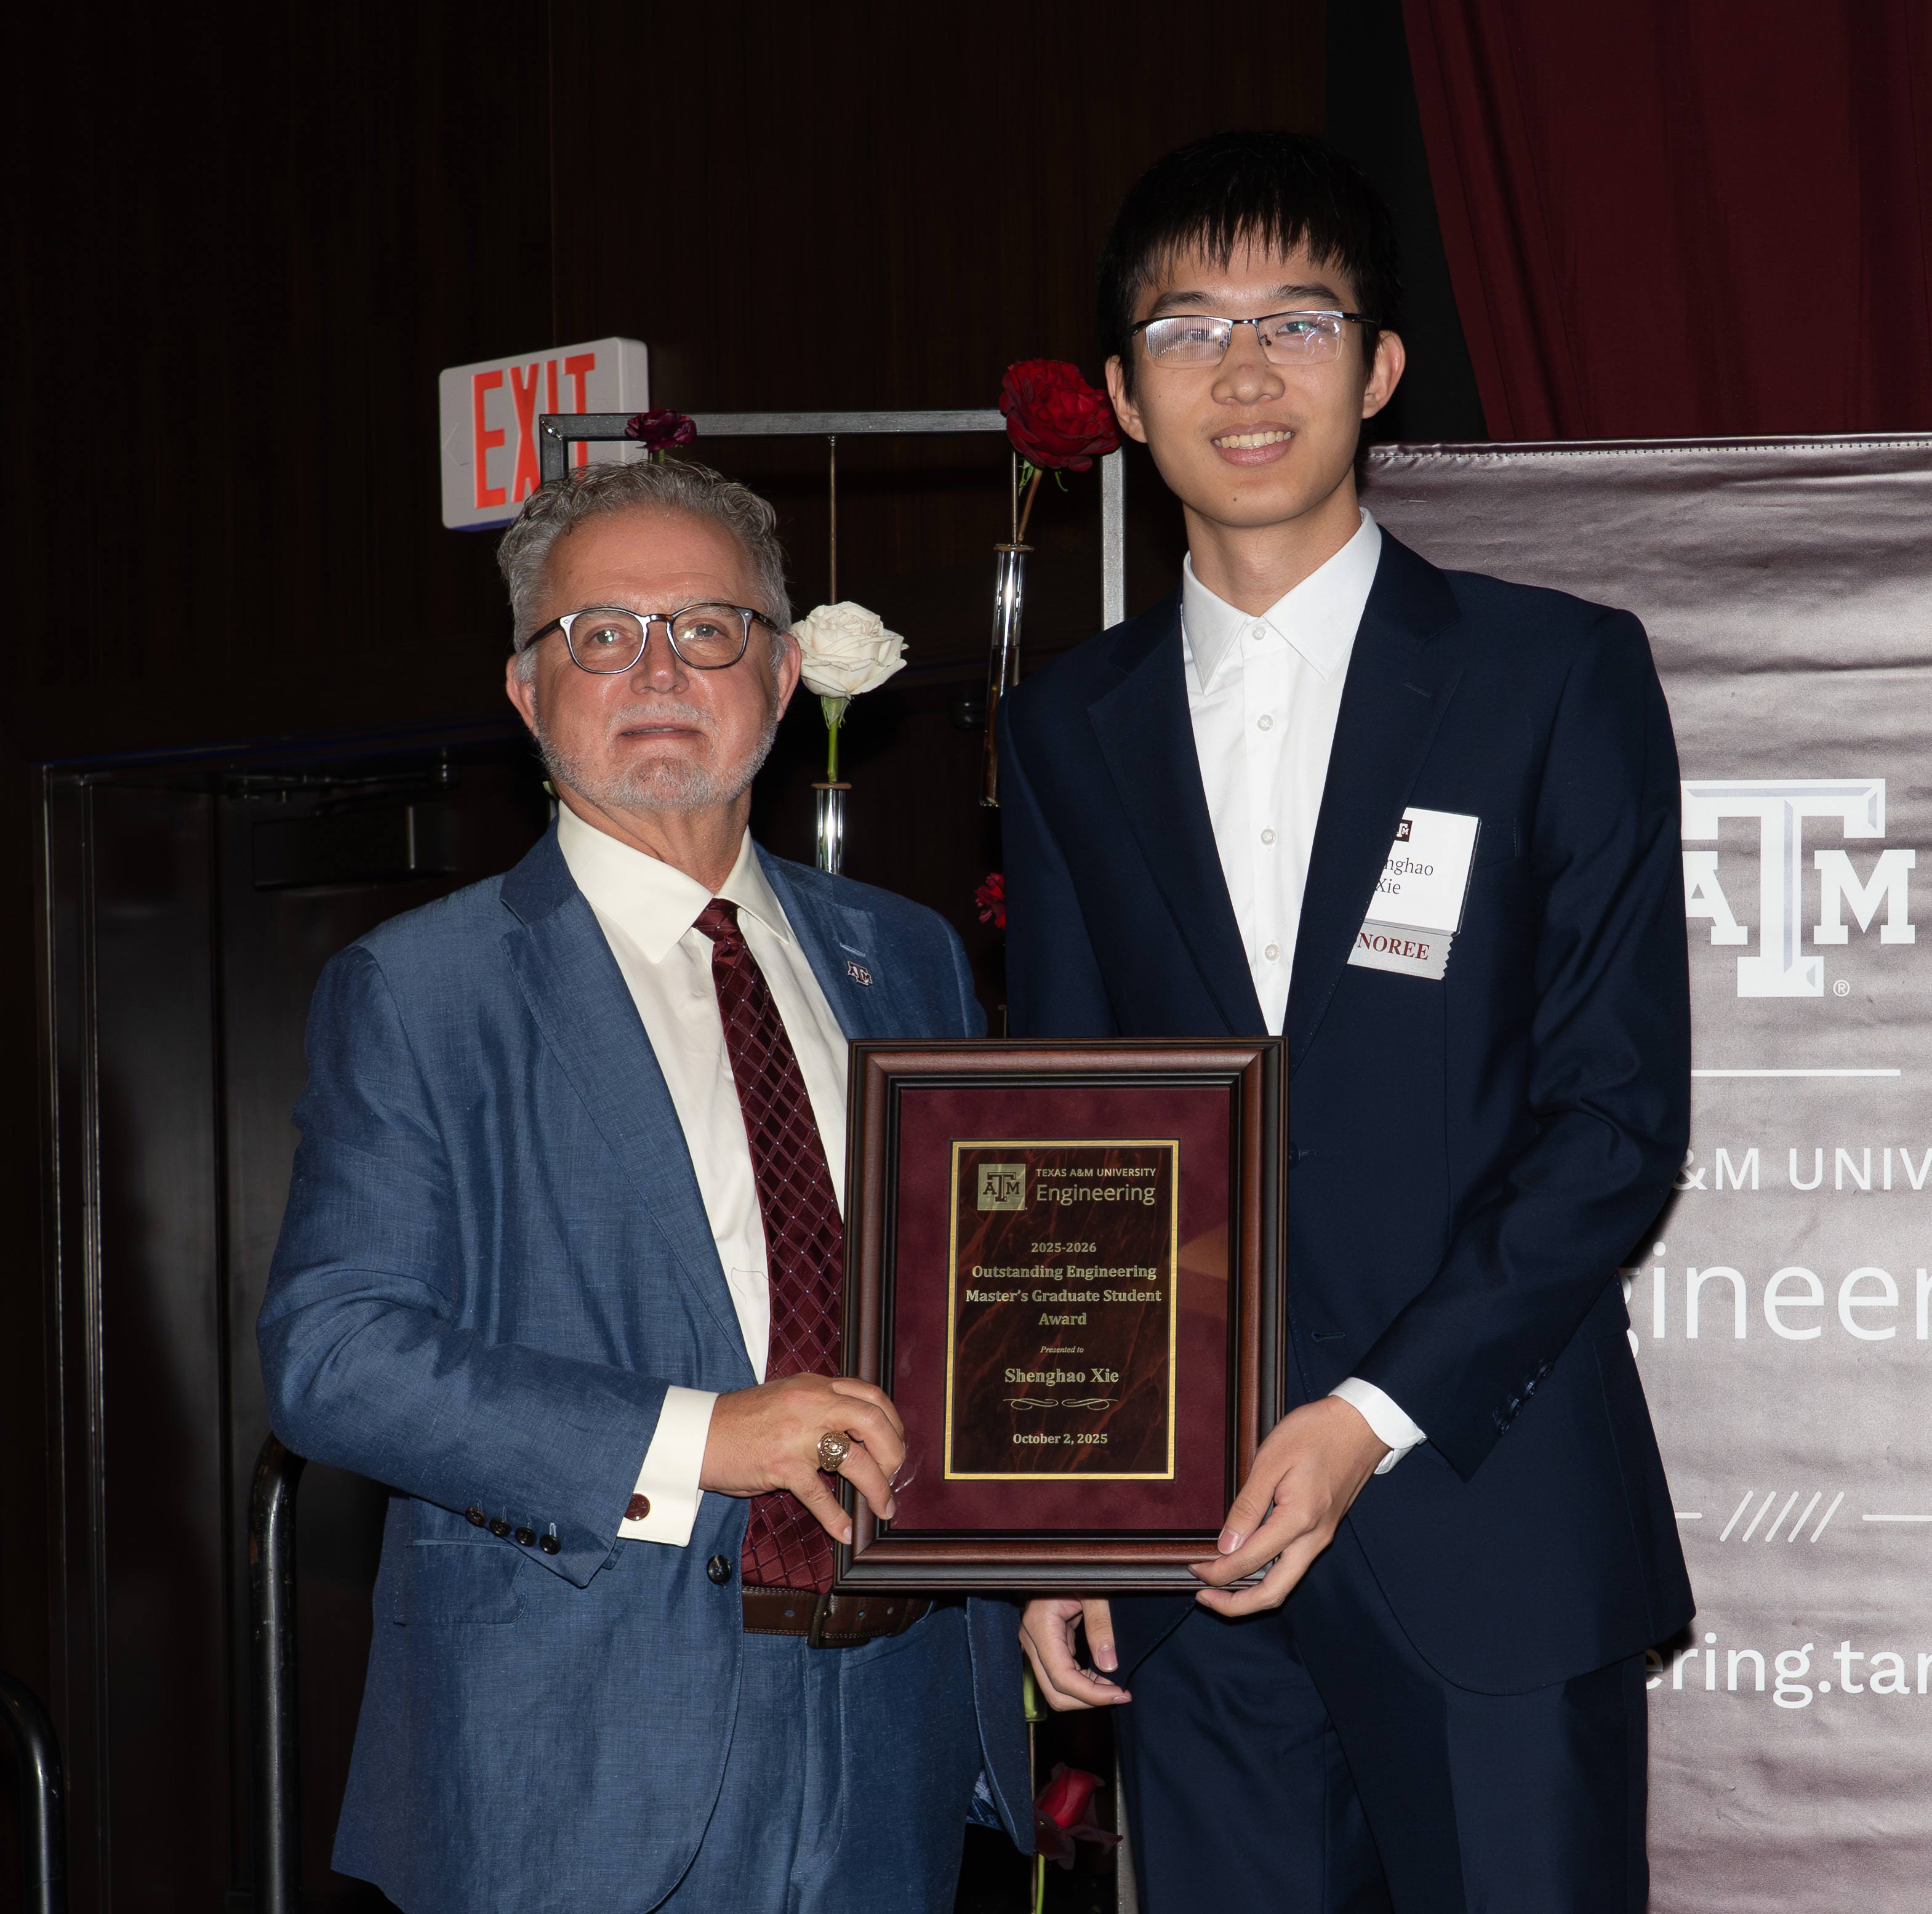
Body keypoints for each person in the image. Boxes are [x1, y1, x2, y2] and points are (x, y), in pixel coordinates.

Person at [1001, 132, 1692, 1913]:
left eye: (1297, 321)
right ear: (1119, 395)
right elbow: (1079, 1137)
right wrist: (1064, 1513)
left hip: (1482, 1510)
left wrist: (1366, 1412)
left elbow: (1612, 1117)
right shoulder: (1068, 722)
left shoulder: (1554, 674)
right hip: (1193, 1556)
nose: (1243, 372)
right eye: (1186, 328)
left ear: (1377, 370)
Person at [258, 456, 1029, 1914]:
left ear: (786, 670)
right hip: (581, 1759)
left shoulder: (907, 954)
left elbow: (971, 1302)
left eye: (708, 628)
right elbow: (335, 1355)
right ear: (525, 691)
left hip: (896, 1724)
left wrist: (1047, 1533)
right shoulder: (425, 989)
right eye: (599, 634)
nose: (657, 669)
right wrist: (702, 1437)